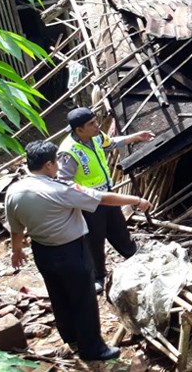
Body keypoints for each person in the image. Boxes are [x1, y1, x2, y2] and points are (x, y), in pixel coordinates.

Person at [5, 140, 152, 361]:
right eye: (56, 162)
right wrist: (136, 200)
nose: (58, 167)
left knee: (58, 294)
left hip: (42, 251)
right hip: (71, 251)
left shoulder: (14, 191)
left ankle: (70, 335)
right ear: (48, 164)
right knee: (83, 299)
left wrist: (16, 251)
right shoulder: (60, 190)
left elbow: (16, 229)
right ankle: (93, 349)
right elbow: (102, 198)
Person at [57, 107, 154, 293]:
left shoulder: (95, 136)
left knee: (118, 228)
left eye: (95, 121)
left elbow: (110, 143)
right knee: (94, 239)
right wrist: (85, 194)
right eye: (92, 124)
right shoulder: (68, 152)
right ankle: (98, 276)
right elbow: (63, 183)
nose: (97, 125)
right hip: (89, 204)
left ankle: (133, 255)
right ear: (79, 130)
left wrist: (135, 137)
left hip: (107, 196)